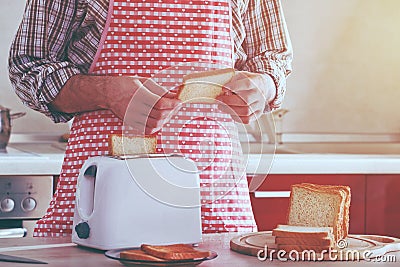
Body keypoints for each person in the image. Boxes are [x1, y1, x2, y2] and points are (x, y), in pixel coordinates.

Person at [9, 0, 292, 237]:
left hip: (213, 202)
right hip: (103, 199)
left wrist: (264, 86)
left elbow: (271, 58)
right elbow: (28, 66)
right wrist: (106, 92)